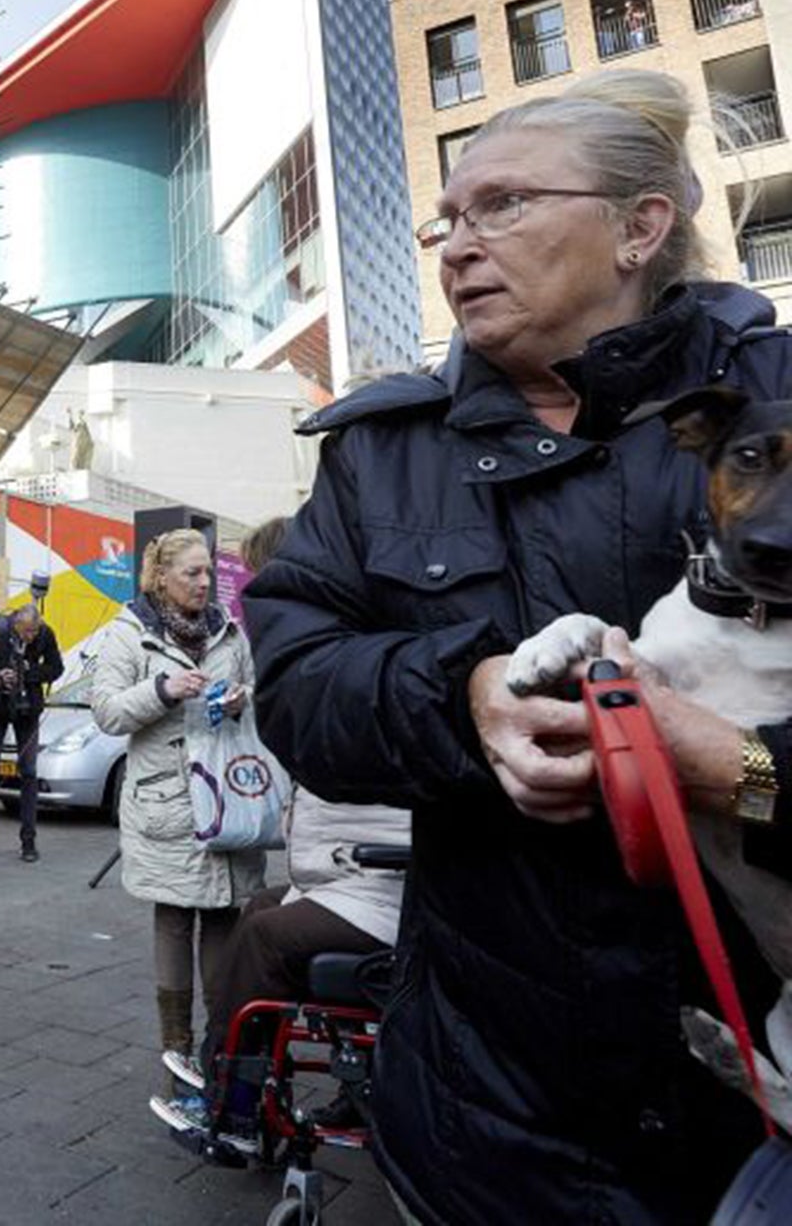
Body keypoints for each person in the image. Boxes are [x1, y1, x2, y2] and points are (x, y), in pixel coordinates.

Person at [245, 68, 792, 1222]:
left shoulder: (774, 401)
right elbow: (296, 682)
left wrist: (746, 771)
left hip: (751, 1117)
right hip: (485, 1116)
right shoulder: (380, 450)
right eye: (445, 219)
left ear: (640, 227)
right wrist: (465, 697)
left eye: (499, 206)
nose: (455, 246)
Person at [170, 518, 409, 1133]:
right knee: (257, 910)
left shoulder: (347, 657)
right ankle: (233, 1068)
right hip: (346, 871)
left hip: (378, 880)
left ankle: (235, 1102)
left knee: (263, 937)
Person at [91, 530, 265, 1079]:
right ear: (160, 576)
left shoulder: (230, 633)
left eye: (208, 572)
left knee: (223, 915)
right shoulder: (128, 633)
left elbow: (256, 695)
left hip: (226, 797)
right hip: (166, 801)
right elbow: (108, 713)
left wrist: (241, 702)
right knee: (173, 916)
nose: (204, 582)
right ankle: (177, 1049)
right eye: (192, 573)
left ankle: (219, 1044)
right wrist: (162, 690)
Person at [0, 601, 64, 862]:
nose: (31, 637)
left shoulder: (45, 633)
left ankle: (29, 842)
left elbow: (56, 668)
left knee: (29, 773)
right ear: (15, 623)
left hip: (27, 709)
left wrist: (29, 672)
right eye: (26, 632)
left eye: (35, 631)